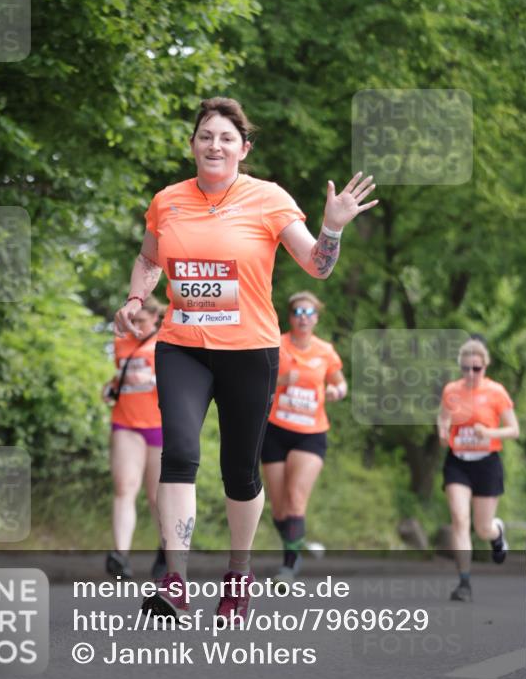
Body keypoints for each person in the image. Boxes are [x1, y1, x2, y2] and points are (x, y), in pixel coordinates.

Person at [114, 96, 378, 623]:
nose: (215, 145)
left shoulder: (269, 199)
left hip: (251, 351)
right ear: (192, 145)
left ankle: (238, 572)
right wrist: (136, 299)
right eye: (206, 136)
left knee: (239, 471)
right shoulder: (167, 201)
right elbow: (148, 258)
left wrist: (333, 227)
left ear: (243, 148)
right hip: (182, 346)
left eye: (226, 138)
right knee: (181, 455)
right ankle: (176, 580)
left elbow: (317, 266)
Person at [261, 291, 347, 583]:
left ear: (316, 318)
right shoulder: (277, 345)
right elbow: (258, 378)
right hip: (274, 430)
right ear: (291, 317)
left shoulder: (325, 351)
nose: (303, 318)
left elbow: (339, 382)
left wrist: (337, 391)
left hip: (310, 434)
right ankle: (296, 541)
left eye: (309, 312)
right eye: (298, 312)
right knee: (279, 505)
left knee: (296, 498)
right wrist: (283, 380)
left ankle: (289, 564)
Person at [437, 337, 520, 602]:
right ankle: (464, 583)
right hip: (458, 461)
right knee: (460, 519)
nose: (470, 374)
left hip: (486, 462)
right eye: (465, 368)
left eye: (476, 369)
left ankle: (496, 535)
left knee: (482, 527)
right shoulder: (452, 390)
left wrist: (489, 432)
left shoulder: (496, 392)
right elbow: (443, 417)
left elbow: (514, 429)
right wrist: (442, 430)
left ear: (485, 366)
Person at [103, 297, 167, 580]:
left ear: (155, 318)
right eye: (133, 321)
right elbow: (119, 379)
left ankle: (166, 551)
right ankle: (120, 555)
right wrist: (109, 388)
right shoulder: (122, 343)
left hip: (160, 426)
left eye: (141, 321)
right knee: (124, 486)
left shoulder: (167, 344)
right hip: (126, 422)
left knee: (157, 496)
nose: (136, 327)